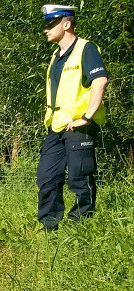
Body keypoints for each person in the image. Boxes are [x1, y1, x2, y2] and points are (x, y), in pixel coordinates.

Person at [37, 4, 108, 231]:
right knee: (47, 178)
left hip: (79, 126)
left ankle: (81, 228)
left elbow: (100, 81)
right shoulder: (55, 57)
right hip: (56, 128)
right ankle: (49, 229)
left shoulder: (86, 49)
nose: (46, 29)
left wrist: (87, 117)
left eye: (51, 24)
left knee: (80, 179)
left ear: (66, 24)